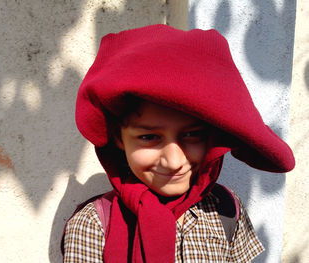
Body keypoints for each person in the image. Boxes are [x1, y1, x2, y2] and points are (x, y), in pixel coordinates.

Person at [62, 24, 295, 262]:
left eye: (192, 134)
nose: (174, 162)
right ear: (118, 138)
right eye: (149, 137)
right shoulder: (93, 225)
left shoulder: (225, 208)